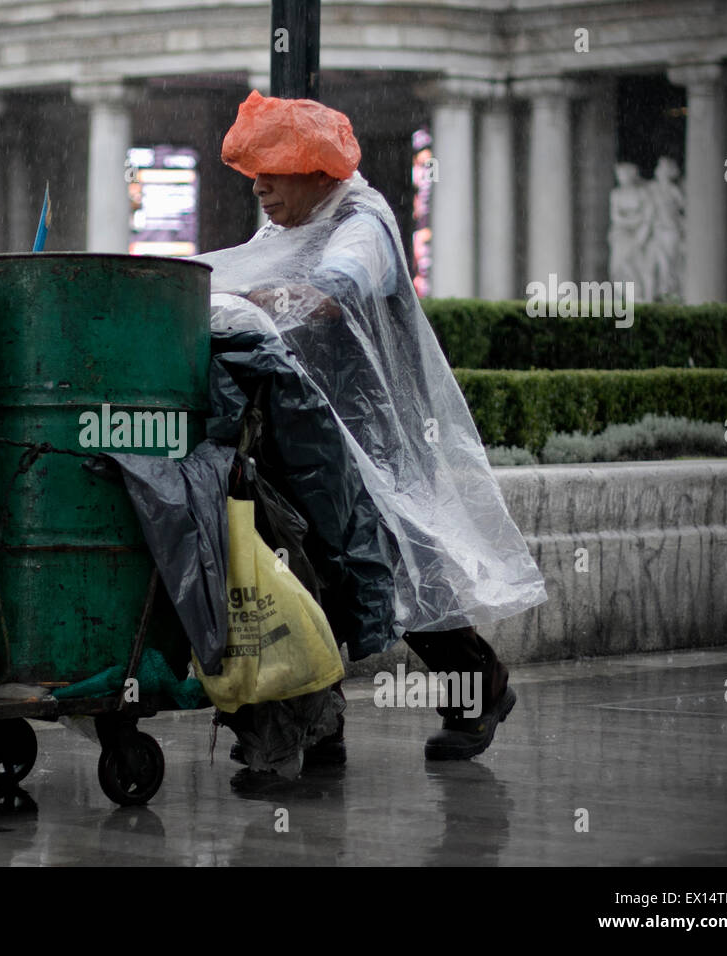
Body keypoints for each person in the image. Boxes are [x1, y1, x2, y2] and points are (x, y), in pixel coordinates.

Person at [196, 91, 547, 763]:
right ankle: (317, 721)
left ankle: (480, 689)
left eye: (275, 170)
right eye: (255, 173)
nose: (261, 187)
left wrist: (250, 301)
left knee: (407, 573)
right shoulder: (289, 222)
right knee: (310, 567)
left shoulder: (363, 219)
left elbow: (334, 290)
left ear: (316, 169)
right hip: (303, 424)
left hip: (374, 435)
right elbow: (255, 271)